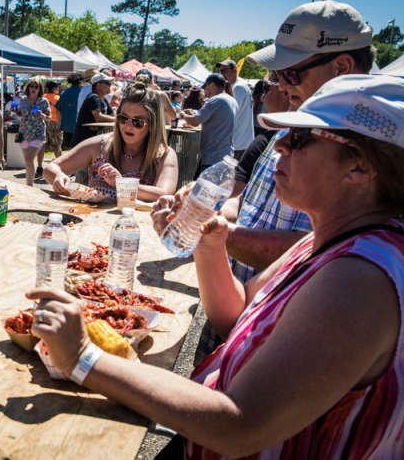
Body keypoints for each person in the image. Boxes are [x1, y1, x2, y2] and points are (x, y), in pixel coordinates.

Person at [28, 74, 404, 459]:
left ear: (359, 167)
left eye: (300, 138)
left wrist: (80, 358)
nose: (280, 147)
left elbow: (239, 426)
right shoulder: (325, 241)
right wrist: (210, 241)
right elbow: (235, 317)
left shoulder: (358, 280)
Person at [221, 0, 375, 283]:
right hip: (247, 308)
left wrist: (214, 234)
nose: (281, 84)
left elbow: (322, 251)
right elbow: (246, 205)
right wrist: (207, 208)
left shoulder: (372, 149)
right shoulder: (291, 122)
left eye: (290, 73)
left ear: (342, 67)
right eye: (277, 75)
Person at [44, 83, 178, 202]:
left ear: (152, 125)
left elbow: (164, 193)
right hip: (90, 224)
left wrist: (121, 184)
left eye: (138, 122)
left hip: (134, 226)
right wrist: (58, 176)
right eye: (123, 118)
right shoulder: (100, 144)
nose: (128, 126)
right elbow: (51, 168)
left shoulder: (164, 154)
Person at [232, 74, 287, 197]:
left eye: (267, 89)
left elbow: (236, 191)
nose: (263, 98)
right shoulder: (266, 140)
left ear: (286, 92)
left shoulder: (268, 141)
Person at [181, 73, 238, 175]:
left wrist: (181, 115)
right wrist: (195, 113)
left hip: (213, 156)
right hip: (225, 153)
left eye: (206, 87)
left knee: (204, 189)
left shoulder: (216, 100)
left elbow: (194, 122)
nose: (205, 91)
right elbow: (215, 118)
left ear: (211, 85)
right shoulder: (231, 100)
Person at [16, 78, 51, 186]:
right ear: (28, 87)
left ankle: (29, 185)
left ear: (39, 88)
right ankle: (29, 185)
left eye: (36, 86)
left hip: (38, 133)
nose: (33, 88)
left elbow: (49, 117)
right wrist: (16, 113)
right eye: (31, 86)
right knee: (28, 161)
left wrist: (42, 115)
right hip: (24, 132)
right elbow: (20, 114)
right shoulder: (23, 100)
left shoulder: (43, 101)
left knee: (29, 158)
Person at [217, 59, 254, 159]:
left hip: (238, 142)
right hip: (241, 140)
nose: (221, 74)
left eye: (224, 71)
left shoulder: (238, 88)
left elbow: (229, 114)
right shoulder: (239, 84)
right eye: (220, 71)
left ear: (234, 70)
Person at [72, 73, 115, 147]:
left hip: (92, 139)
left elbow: (112, 114)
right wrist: (117, 119)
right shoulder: (93, 97)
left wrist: (117, 118)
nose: (110, 85)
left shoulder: (103, 99)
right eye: (107, 83)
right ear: (98, 85)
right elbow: (98, 116)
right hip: (83, 141)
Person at [57, 75, 82, 148]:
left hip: (67, 125)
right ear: (80, 82)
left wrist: (59, 123)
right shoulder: (83, 91)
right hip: (80, 125)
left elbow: (59, 109)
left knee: (70, 148)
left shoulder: (65, 93)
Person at [42, 81, 63, 159]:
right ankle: (59, 162)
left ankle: (40, 165)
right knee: (57, 144)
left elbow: (35, 109)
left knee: (43, 144)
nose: (58, 89)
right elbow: (61, 111)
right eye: (57, 87)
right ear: (54, 89)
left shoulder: (42, 97)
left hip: (43, 122)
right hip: (55, 122)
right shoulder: (58, 98)